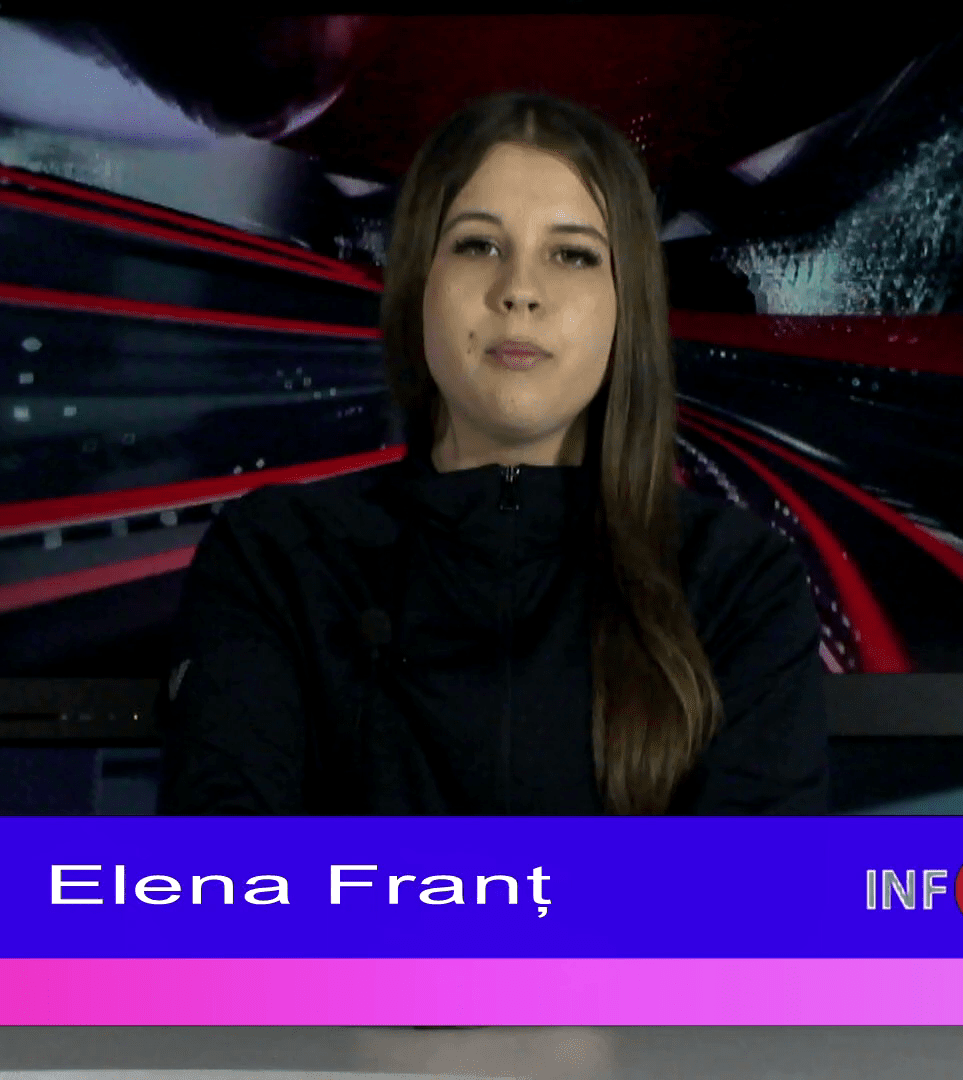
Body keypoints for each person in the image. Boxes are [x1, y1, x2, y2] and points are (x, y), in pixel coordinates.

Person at [157, 92, 829, 814]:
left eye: (571, 254)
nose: (519, 292)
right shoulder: (274, 559)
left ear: (625, 304)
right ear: (419, 284)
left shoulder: (740, 582)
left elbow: (757, 882)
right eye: (478, 246)